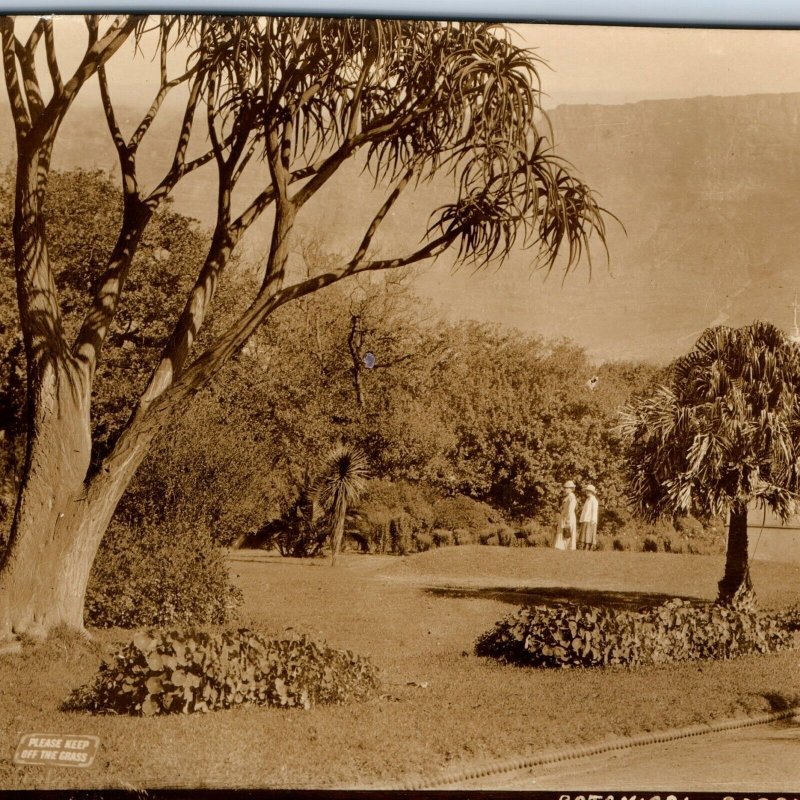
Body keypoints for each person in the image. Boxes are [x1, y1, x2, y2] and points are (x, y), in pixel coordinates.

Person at [553, 480, 577, 550]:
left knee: (568, 531)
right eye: (565, 488)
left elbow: (571, 509)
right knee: (562, 531)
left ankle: (569, 547)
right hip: (565, 516)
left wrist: (568, 519)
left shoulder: (572, 497)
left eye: (567, 488)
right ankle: (562, 547)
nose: (565, 489)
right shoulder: (568, 496)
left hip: (569, 517)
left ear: (571, 489)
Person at [578, 484, 599, 550]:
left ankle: (588, 547)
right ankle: (582, 546)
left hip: (590, 520)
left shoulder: (594, 500)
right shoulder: (587, 500)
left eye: (588, 491)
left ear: (591, 492)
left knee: (589, 534)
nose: (586, 492)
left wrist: (593, 520)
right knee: (584, 534)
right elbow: (584, 510)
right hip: (586, 519)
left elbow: (594, 511)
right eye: (586, 491)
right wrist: (582, 518)